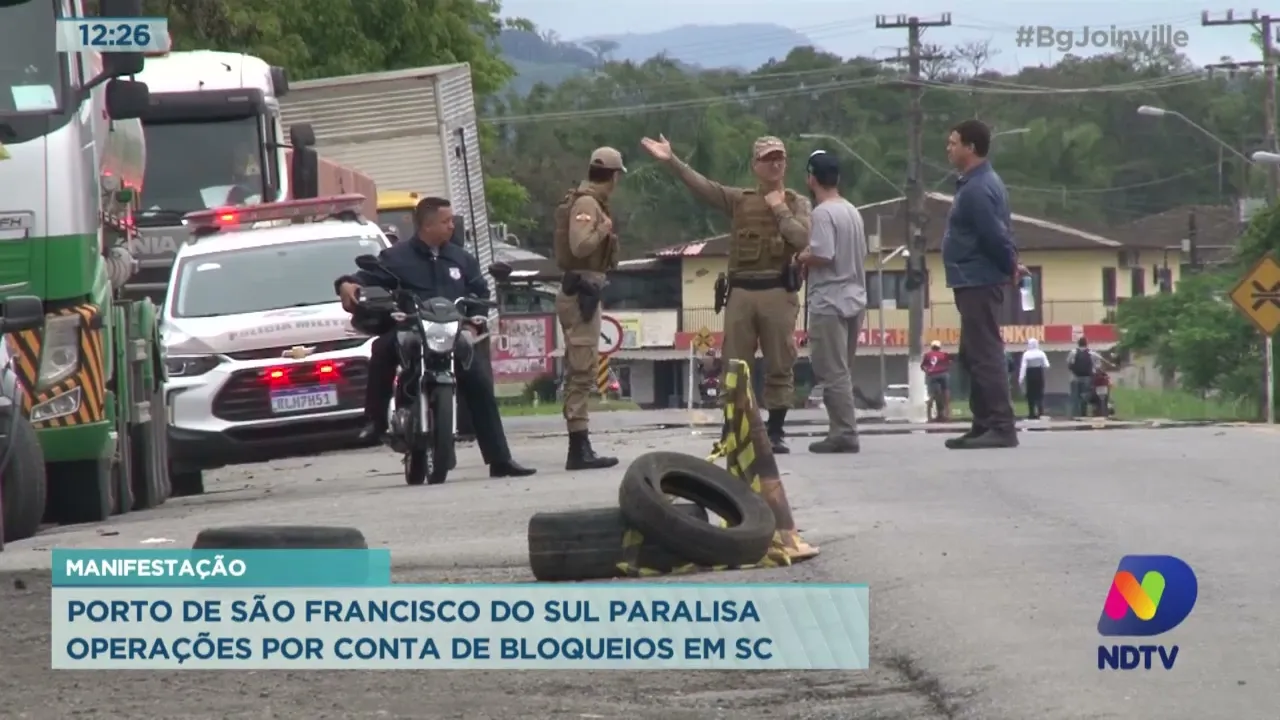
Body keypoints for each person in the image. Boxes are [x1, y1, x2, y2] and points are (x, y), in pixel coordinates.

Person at [336, 197, 536, 478]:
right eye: (446, 221)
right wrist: (347, 284)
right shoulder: (396, 258)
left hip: (454, 331)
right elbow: (364, 278)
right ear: (427, 225)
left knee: (479, 381)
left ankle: (500, 459)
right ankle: (375, 421)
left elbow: (480, 292)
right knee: (382, 349)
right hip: (412, 329)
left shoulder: (461, 259)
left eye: (451, 221)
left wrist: (474, 321)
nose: (451, 226)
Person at [642, 134, 811, 453]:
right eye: (767, 158)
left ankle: (775, 432)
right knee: (734, 365)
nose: (775, 163)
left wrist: (779, 210)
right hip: (742, 292)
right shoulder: (739, 199)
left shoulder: (796, 202)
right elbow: (703, 186)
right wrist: (672, 161)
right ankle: (731, 429)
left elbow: (801, 239)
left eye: (780, 157)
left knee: (780, 363)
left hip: (777, 290)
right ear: (755, 165)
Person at [940, 119, 1025, 450]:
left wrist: (1011, 265)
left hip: (978, 278)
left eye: (953, 142)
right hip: (972, 278)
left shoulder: (977, 188)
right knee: (972, 353)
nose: (948, 148)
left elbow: (994, 234)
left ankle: (1001, 425)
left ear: (970, 147)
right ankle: (983, 423)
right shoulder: (976, 183)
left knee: (985, 351)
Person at [552, 147, 625, 470]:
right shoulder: (587, 203)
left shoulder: (591, 202)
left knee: (583, 368)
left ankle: (581, 444)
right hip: (580, 291)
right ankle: (577, 448)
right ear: (614, 176)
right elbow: (580, 245)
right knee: (581, 370)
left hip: (587, 290)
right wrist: (602, 229)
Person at [796, 151, 865, 454]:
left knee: (830, 369)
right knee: (843, 369)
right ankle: (842, 427)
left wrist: (800, 257)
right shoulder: (851, 211)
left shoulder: (823, 213)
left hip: (829, 300)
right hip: (854, 296)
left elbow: (824, 254)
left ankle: (844, 432)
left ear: (812, 178)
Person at [1066, 337, 1106, 416]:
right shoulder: (1091, 353)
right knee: (1084, 396)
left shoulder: (1073, 352)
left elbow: (1068, 363)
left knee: (1075, 397)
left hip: (1075, 377)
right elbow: (1098, 365)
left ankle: (1075, 414)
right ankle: (1083, 413)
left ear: (1078, 344)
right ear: (1086, 344)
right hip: (1087, 378)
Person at [1018, 338, 1049, 419]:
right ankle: (1040, 412)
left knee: (1030, 394)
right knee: (1039, 393)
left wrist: (1021, 378)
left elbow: (1023, 367)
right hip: (1039, 373)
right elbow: (1047, 365)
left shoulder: (1026, 354)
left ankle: (1031, 413)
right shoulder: (1041, 353)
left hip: (1030, 374)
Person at [921, 340, 952, 421]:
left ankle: (929, 417)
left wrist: (927, 371)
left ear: (932, 347)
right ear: (939, 347)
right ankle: (947, 415)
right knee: (946, 394)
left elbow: (923, 366)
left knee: (932, 395)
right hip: (944, 374)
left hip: (933, 375)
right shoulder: (944, 354)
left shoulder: (927, 355)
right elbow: (949, 363)